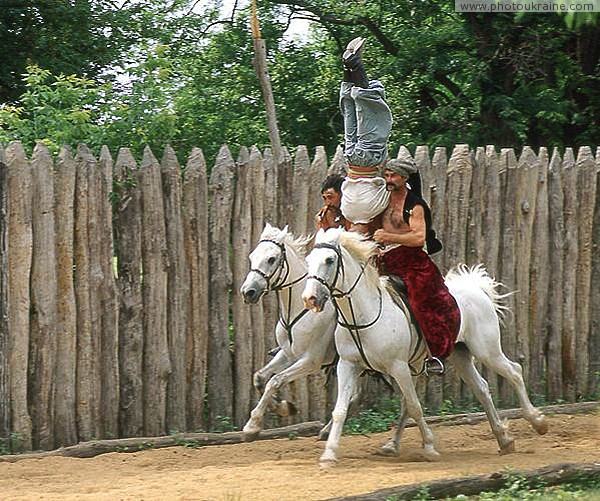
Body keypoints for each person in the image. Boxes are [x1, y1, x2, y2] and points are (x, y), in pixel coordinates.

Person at [373, 157, 460, 375]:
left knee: (421, 302)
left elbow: (418, 238)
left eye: (394, 176)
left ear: (405, 177)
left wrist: (387, 236)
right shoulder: (382, 201)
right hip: (385, 260)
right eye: (387, 175)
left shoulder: (415, 205)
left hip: (412, 263)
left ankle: (434, 353)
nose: (389, 179)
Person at [338, 37, 392, 231]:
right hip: (350, 158)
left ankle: (355, 65)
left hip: (367, 162)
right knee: (350, 108)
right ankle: (347, 69)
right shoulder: (347, 211)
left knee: (370, 112)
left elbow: (390, 193)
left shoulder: (371, 211)